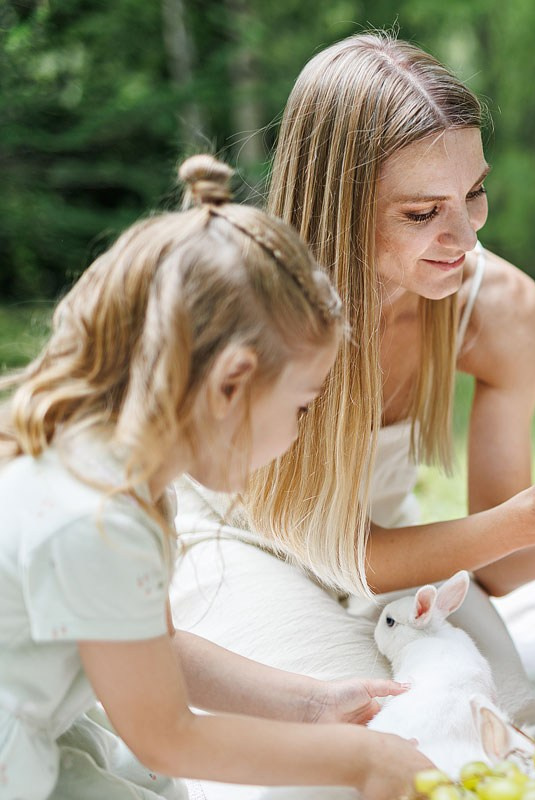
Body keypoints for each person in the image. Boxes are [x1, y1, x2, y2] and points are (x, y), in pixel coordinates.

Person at [168, 31, 535, 739]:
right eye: (422, 214)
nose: (467, 237)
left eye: (474, 193)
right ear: (339, 207)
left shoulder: (502, 310)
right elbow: (341, 548)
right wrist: (531, 516)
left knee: (497, 715)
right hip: (245, 544)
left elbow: (500, 568)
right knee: (367, 730)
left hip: (391, 557)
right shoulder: (261, 310)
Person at [0, 155, 436, 800]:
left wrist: (312, 704)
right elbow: (167, 736)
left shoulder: (122, 473)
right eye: (301, 405)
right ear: (231, 383)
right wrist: (357, 761)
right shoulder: (97, 519)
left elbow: (151, 647)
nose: (296, 434)